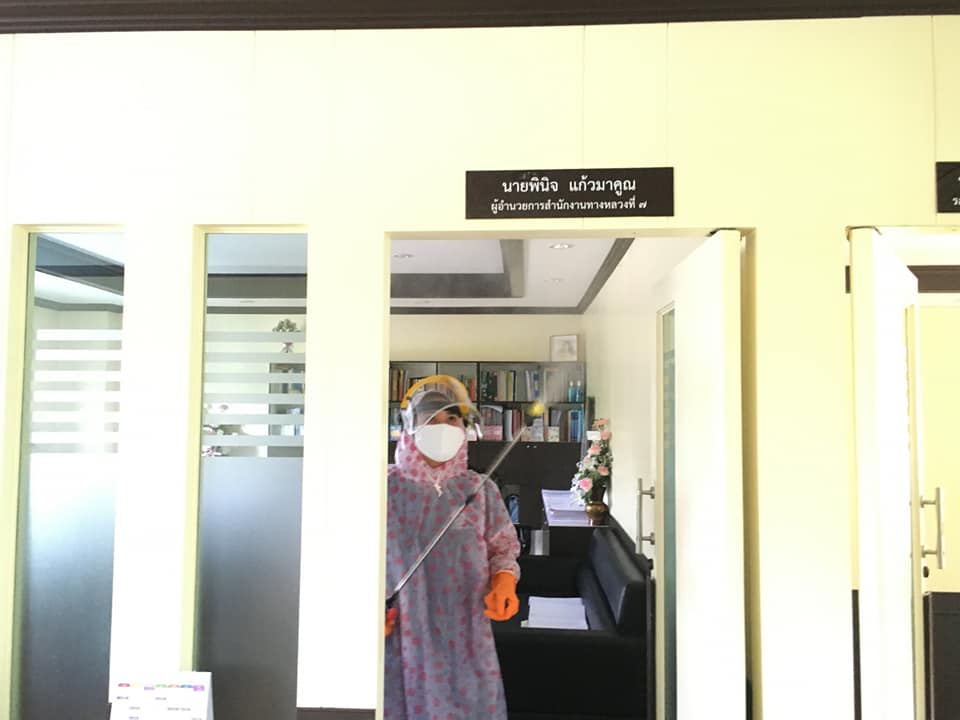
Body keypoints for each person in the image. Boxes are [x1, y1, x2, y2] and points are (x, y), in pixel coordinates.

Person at [384, 375, 520, 720]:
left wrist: (504, 581)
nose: (443, 427)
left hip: (467, 632)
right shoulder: (382, 487)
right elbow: (348, 554)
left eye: (452, 418)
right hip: (400, 634)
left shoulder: (480, 489)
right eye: (431, 418)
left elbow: (502, 547)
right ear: (409, 425)